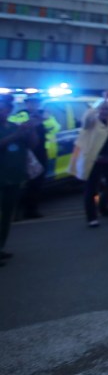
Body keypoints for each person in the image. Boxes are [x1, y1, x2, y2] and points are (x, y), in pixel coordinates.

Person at [70, 95, 108, 227]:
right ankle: (92, 217)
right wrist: (98, 105)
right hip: (94, 161)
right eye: (103, 109)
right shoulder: (92, 121)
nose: (106, 112)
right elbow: (86, 121)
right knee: (91, 189)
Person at [0, 94, 39, 266]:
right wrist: (16, 135)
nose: (4, 111)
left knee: (6, 216)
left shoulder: (13, 126)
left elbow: (33, 145)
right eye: (2, 108)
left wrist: (31, 130)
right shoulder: (12, 131)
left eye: (6, 108)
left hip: (14, 178)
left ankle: (0, 247)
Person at [9, 94, 60, 220]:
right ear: (26, 104)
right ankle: (14, 212)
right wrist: (30, 122)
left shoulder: (46, 115)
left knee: (37, 182)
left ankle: (31, 210)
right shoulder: (19, 114)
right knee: (20, 182)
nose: (33, 105)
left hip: (42, 151)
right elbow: (13, 126)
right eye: (31, 103)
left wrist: (42, 120)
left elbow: (55, 128)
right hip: (24, 152)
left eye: (36, 103)